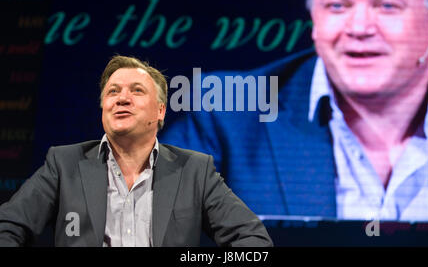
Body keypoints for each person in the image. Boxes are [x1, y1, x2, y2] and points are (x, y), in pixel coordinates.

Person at [160, 0, 428, 221]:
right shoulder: (230, 111)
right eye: (337, 6)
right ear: (315, 20)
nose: (359, 28)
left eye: (387, 6)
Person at [0, 55, 273, 247]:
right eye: (113, 91)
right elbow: (8, 227)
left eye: (137, 90)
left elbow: (252, 240)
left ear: (160, 111)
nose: (122, 98)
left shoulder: (194, 171)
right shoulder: (64, 163)